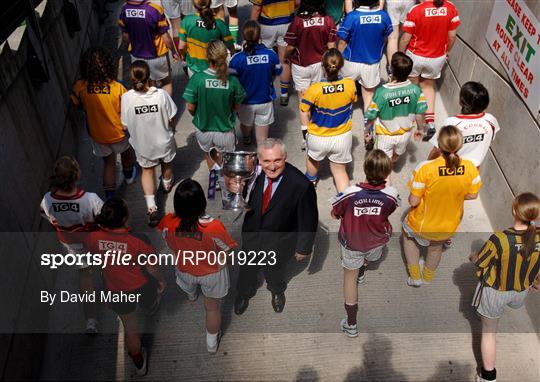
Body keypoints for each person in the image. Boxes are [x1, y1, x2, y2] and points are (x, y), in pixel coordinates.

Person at [234, 138, 318, 315]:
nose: (272, 167)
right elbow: (237, 196)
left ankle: (277, 290)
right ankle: (245, 292)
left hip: (280, 241)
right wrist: (236, 188)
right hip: (252, 236)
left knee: (275, 270)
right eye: (266, 161)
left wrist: (303, 248)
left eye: (277, 161)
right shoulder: (251, 175)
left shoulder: (301, 185)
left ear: (285, 158)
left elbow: (308, 218)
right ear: (259, 160)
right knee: (247, 268)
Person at [85, 198, 166, 376]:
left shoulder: (93, 238)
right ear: (124, 219)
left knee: (130, 327)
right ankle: (150, 307)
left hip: (116, 289)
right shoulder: (138, 240)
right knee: (150, 302)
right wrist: (161, 281)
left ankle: (138, 363)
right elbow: (151, 267)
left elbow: (94, 260)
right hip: (142, 285)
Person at [157, 179, 237, 353]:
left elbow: (167, 242)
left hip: (185, 268)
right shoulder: (213, 227)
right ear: (202, 202)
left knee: (189, 287)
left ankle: (192, 295)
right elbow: (228, 250)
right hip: (211, 273)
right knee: (212, 308)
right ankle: (211, 343)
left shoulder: (167, 223)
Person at [470, 192, 540, 382]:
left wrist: (473, 256)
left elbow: (481, 263)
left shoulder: (500, 239)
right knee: (503, 310)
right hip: (520, 292)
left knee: (489, 333)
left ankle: (488, 376)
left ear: (514, 211)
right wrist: (537, 282)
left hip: (496, 292)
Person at [331, 149, 399, 337]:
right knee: (368, 258)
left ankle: (351, 324)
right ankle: (363, 270)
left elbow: (335, 212)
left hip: (352, 243)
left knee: (349, 279)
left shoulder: (350, 193)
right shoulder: (392, 195)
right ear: (387, 173)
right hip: (376, 242)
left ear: (364, 169)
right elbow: (389, 211)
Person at [403, 125, 481, 286]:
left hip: (422, 223)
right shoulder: (471, 168)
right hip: (448, 225)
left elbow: (413, 201)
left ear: (439, 145)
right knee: (435, 249)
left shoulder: (425, 168)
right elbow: (473, 195)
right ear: (460, 145)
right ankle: (428, 278)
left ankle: (415, 276)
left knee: (408, 238)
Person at [40, 157, 103, 334]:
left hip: (71, 244)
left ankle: (91, 321)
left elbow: (45, 215)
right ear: (77, 175)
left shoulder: (47, 199)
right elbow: (105, 218)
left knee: (85, 276)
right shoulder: (90, 199)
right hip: (93, 240)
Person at [71, 47, 137, 200]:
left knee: (108, 162)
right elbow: (127, 110)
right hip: (118, 133)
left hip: (97, 135)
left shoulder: (80, 86)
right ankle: (128, 175)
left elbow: (76, 103)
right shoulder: (118, 88)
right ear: (108, 65)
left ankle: (110, 195)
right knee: (126, 152)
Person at [121, 61, 178, 227]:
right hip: (164, 141)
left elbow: (124, 124)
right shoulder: (161, 95)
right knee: (166, 163)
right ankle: (166, 184)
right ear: (149, 77)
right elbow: (172, 117)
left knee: (147, 171)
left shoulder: (126, 98)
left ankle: (151, 207)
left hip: (143, 144)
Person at [399, 0, 460, 140]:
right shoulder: (451, 8)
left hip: (415, 56)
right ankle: (431, 122)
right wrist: (447, 51)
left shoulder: (416, 10)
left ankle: (412, 117)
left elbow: (405, 39)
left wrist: (400, 55)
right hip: (437, 56)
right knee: (428, 86)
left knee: (412, 86)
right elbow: (452, 36)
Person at [183, 39, 246, 172]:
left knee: (209, 155)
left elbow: (190, 107)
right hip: (225, 130)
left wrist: (199, 114)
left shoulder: (197, 79)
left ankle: (214, 179)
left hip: (203, 129)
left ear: (208, 56)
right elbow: (237, 106)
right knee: (227, 160)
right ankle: (225, 183)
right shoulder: (233, 81)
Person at [300, 49, 357, 192]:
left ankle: (310, 184)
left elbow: (304, 109)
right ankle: (344, 205)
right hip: (342, 136)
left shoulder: (314, 89)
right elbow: (353, 100)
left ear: (323, 66)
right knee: (339, 172)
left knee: (313, 160)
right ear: (341, 66)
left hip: (318, 136)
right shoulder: (350, 84)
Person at [364, 52, 427, 162]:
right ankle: (394, 159)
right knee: (397, 154)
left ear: (392, 70)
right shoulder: (416, 91)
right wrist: (420, 129)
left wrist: (366, 131)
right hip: (405, 135)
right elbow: (419, 114)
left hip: (385, 136)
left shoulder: (382, 92)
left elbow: (372, 115)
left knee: (383, 165)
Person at [284, 0, 337, 130]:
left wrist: (285, 57)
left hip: (300, 66)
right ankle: (318, 127)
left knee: (304, 101)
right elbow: (331, 47)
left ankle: (305, 134)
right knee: (318, 97)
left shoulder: (297, 21)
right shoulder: (328, 20)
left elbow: (290, 47)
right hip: (320, 65)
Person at [229, 20, 282, 145]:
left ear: (244, 36)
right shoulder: (271, 55)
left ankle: (247, 137)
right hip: (265, 100)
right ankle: (261, 161)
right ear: (260, 36)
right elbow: (278, 71)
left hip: (245, 102)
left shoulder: (237, 59)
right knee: (262, 140)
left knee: (245, 124)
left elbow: (232, 79)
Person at [337, 0, 393, 115]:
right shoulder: (384, 16)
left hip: (350, 63)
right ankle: (368, 127)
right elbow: (386, 37)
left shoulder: (352, 16)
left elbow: (342, 42)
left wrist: (337, 57)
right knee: (368, 95)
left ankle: (344, 119)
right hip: (372, 64)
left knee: (345, 94)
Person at [428, 82, 500, 168]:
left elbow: (437, 150)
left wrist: (426, 166)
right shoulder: (491, 120)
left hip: (449, 171)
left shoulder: (451, 123)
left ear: (461, 101)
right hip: (473, 174)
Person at [118, 0, 178, 95]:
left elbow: (125, 36)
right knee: (166, 82)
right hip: (157, 55)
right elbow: (165, 37)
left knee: (148, 85)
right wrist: (174, 51)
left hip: (136, 56)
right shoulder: (155, 9)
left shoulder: (124, 11)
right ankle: (166, 106)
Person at [250, 0, 298, 106]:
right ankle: (284, 95)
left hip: (267, 24)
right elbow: (298, 3)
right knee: (284, 60)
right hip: (287, 23)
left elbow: (257, 8)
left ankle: (264, 91)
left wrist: (251, 26)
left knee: (263, 58)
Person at [178, 0, 236, 77]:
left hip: (194, 68)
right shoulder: (219, 23)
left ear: (194, 5)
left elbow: (181, 47)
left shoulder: (187, 21)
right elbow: (231, 48)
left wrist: (185, 57)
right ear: (210, 3)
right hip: (215, 69)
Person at [384, 0, 415, 74]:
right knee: (404, 31)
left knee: (393, 38)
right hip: (409, 2)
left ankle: (393, 67)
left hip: (392, 3)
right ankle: (402, 65)